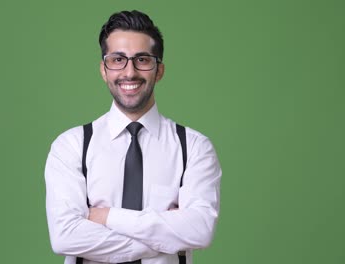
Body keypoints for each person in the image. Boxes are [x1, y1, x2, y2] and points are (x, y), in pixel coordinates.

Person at [44, 10, 222, 264]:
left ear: (159, 70)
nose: (129, 72)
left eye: (142, 59)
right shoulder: (71, 146)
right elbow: (65, 236)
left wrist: (106, 217)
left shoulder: (193, 147)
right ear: (104, 70)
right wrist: (166, 241)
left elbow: (200, 230)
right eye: (118, 59)